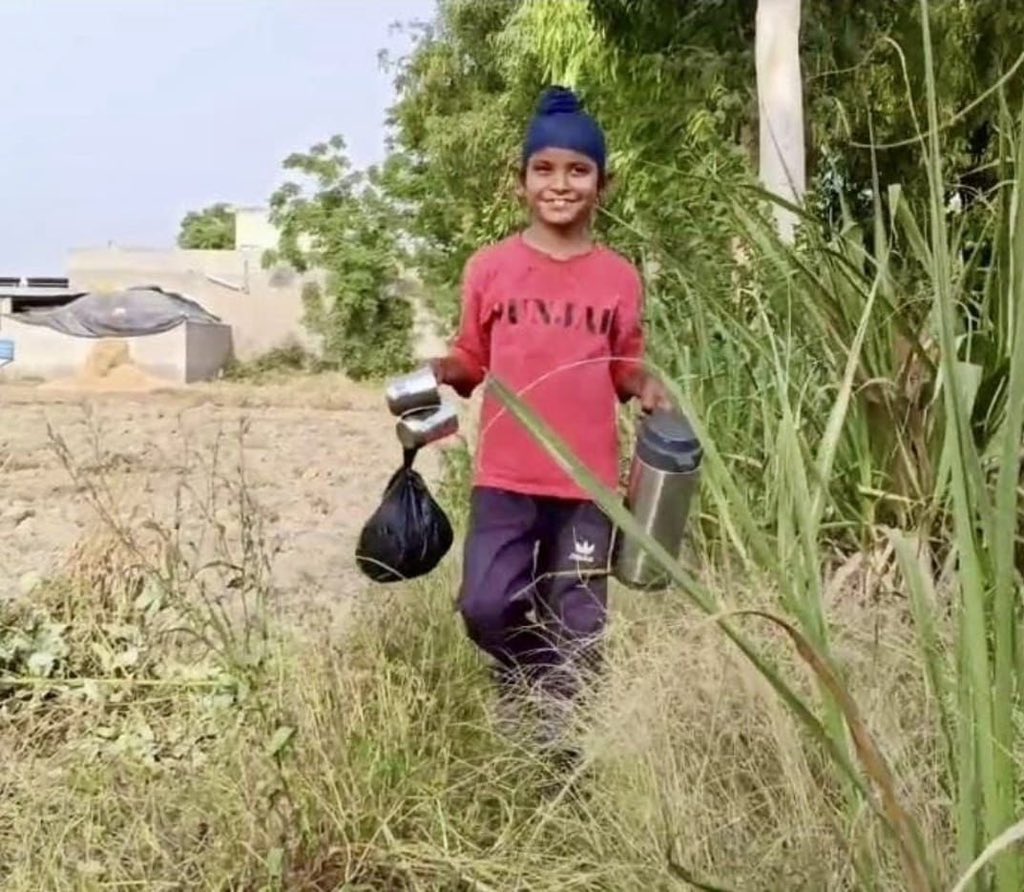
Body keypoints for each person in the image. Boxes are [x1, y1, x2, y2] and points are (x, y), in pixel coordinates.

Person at [428, 85, 671, 759]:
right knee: (485, 606)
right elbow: (472, 360)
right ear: (521, 182)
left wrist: (648, 385)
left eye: (578, 170)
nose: (560, 184)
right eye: (544, 169)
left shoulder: (618, 278)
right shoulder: (490, 268)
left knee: (581, 626)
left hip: (588, 488)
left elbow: (624, 367)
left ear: (602, 185)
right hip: (505, 479)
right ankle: (529, 674)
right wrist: (443, 368)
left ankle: (566, 762)